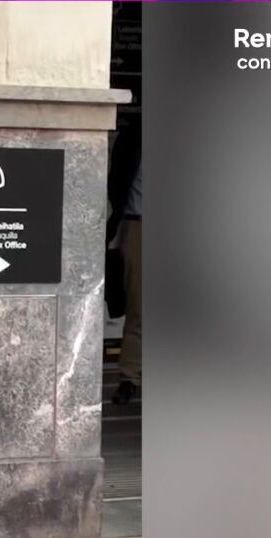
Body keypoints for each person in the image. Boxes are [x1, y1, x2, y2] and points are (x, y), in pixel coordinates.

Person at [112, 154, 142, 404]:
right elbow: (116, 182)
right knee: (138, 307)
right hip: (138, 225)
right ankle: (130, 377)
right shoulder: (135, 139)